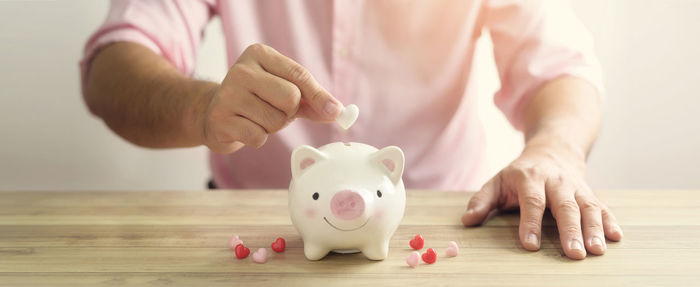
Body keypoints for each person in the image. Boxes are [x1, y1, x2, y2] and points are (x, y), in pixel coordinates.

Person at [81, 0, 623, 260]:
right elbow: (113, 65)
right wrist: (201, 108)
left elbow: (560, 65)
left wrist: (556, 147)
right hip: (251, 215)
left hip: (446, 217)